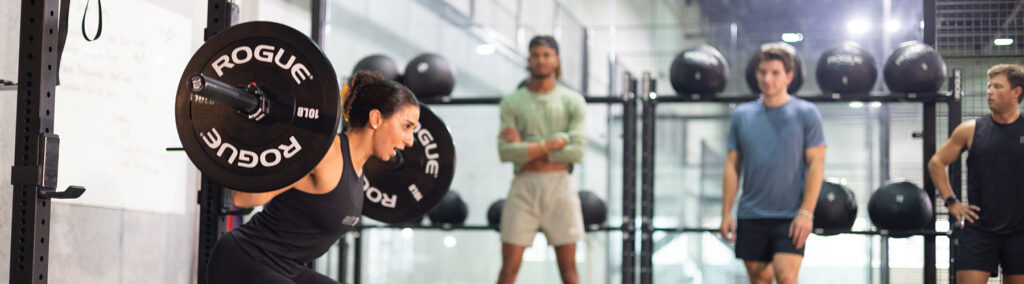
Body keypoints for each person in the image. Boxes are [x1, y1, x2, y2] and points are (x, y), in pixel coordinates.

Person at [207, 71, 421, 284]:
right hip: (244, 261)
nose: (410, 141)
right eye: (406, 126)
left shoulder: (356, 168)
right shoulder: (323, 153)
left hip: (287, 269)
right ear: (375, 119)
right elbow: (243, 198)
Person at [719, 47, 826, 284]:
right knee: (759, 279)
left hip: (791, 216)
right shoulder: (742, 115)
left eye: (775, 73)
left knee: (786, 277)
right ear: (756, 74)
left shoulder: (806, 113)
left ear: (789, 76)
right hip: (751, 214)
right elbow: (732, 166)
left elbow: (817, 164)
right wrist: (726, 212)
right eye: (763, 72)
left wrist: (806, 212)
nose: (768, 79)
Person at [496, 35, 587, 284]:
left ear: (556, 59)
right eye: (536, 55)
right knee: (508, 271)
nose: (541, 60)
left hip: (560, 188)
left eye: (546, 55)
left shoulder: (573, 101)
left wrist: (526, 146)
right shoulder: (512, 102)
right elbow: (506, 152)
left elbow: (576, 152)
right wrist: (551, 144)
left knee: (569, 272)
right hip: (524, 187)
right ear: (529, 59)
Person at [928, 64, 1024, 284]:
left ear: (1016, 92)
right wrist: (952, 202)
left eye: (997, 86)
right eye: (989, 86)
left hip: (1020, 231)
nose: (989, 91)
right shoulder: (970, 130)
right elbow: (936, 163)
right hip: (980, 230)